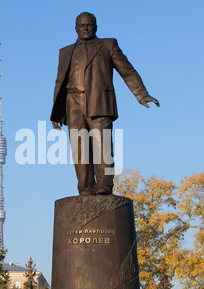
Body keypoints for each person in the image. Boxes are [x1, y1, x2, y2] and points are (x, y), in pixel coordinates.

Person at [50, 12, 159, 195]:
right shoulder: (65, 52)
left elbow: (127, 70)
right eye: (81, 25)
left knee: (103, 146)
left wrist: (142, 94)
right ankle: (85, 188)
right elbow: (59, 81)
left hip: (99, 102)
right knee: (79, 149)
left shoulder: (108, 45)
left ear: (96, 27)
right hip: (73, 103)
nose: (85, 28)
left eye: (89, 25)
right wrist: (56, 111)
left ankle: (105, 184)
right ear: (75, 28)